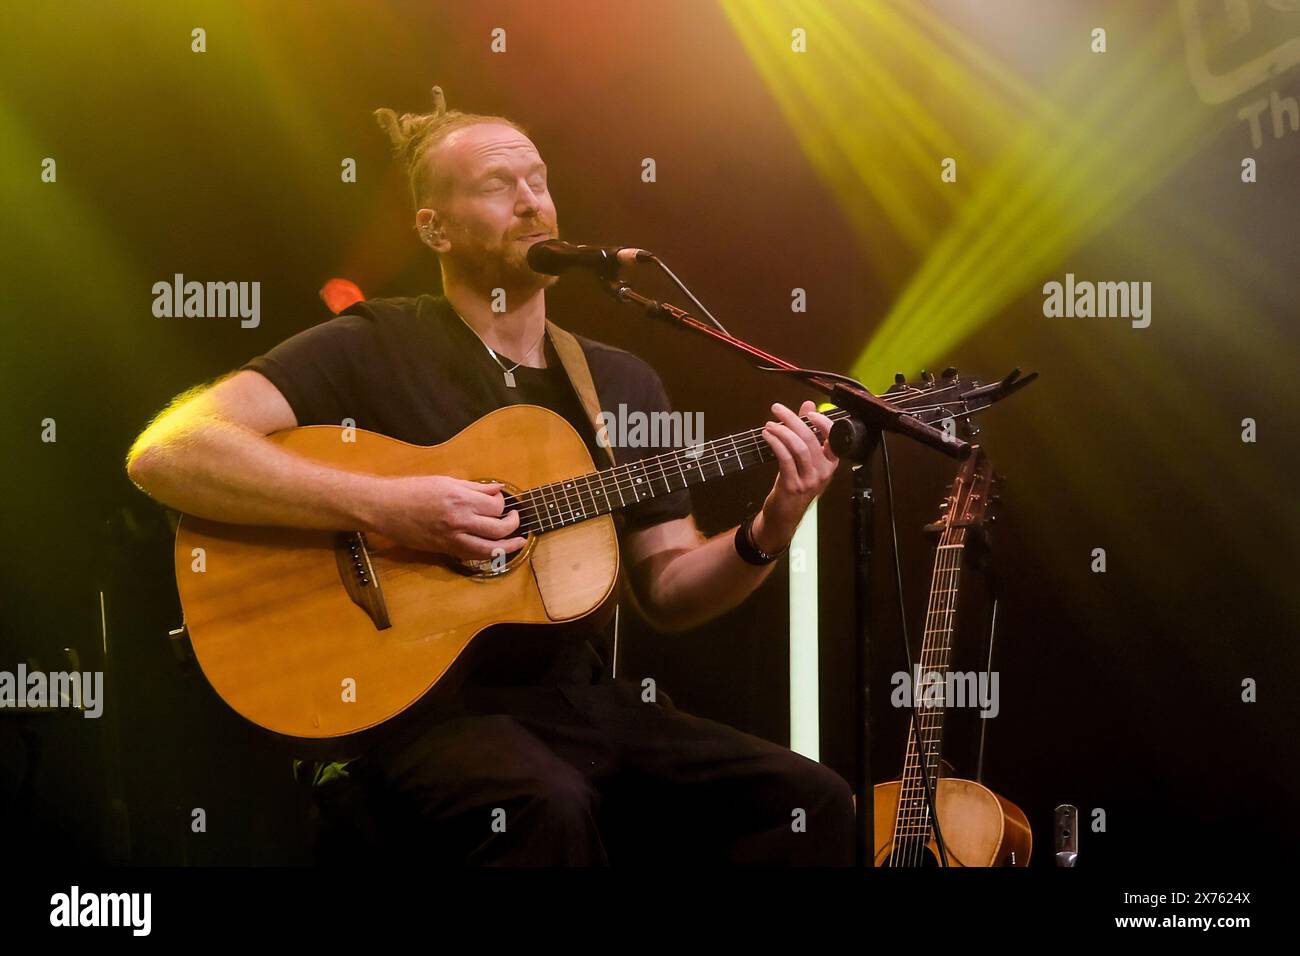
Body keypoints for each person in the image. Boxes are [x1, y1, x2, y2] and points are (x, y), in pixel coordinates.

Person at [126, 86, 854, 865]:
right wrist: (388, 506)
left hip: (580, 707)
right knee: (546, 805)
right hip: (414, 716)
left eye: (538, 179)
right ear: (432, 228)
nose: (532, 202)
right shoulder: (371, 344)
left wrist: (775, 522)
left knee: (812, 801)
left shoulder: (616, 382)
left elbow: (670, 590)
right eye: (497, 186)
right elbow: (169, 451)